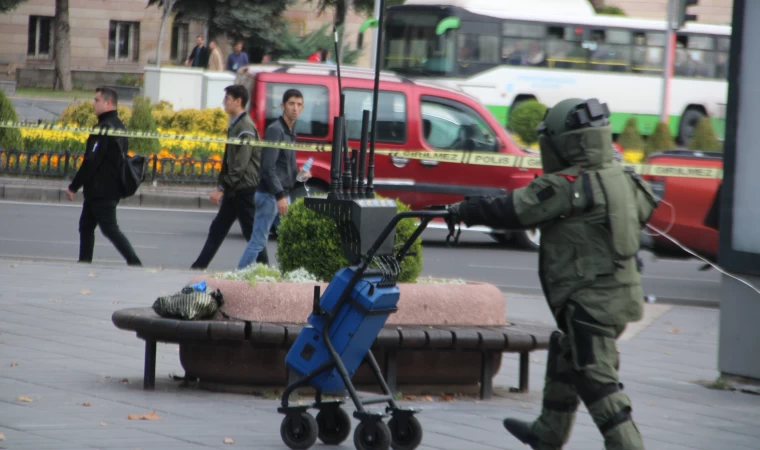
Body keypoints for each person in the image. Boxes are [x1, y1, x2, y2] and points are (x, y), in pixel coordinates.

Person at [446, 98, 657, 450]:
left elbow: (515, 209)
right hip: (620, 293)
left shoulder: (569, 184)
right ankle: (549, 433)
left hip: (589, 301)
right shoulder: (622, 176)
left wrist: (464, 209)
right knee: (566, 352)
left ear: (564, 142)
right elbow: (645, 212)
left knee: (596, 379)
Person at [191, 84, 268, 270]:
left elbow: (240, 165)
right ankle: (197, 267)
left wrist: (221, 188)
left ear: (238, 101)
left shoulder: (246, 128)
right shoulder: (237, 125)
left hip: (244, 190)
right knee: (218, 229)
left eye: (227, 99)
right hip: (235, 190)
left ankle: (268, 271)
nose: (224, 103)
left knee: (252, 233)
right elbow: (230, 162)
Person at [65, 87, 142, 267]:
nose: (93, 103)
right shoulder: (118, 125)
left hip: (102, 189)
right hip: (102, 189)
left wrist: (74, 186)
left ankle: (135, 262)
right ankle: (84, 262)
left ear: (108, 103)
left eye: (96, 100)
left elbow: (91, 161)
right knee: (86, 226)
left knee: (110, 229)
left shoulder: (104, 128)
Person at [237, 89, 309, 270]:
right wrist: (280, 196)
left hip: (281, 194)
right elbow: (268, 168)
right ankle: (238, 277)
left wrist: (299, 174)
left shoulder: (290, 131)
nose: (295, 108)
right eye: (291, 104)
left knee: (290, 238)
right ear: (283, 106)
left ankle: (288, 274)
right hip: (271, 196)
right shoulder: (275, 130)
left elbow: (283, 165)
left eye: (299, 105)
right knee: (258, 241)